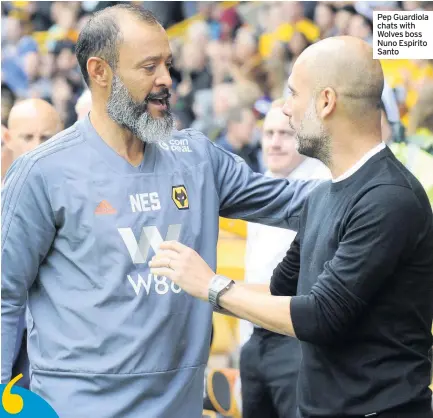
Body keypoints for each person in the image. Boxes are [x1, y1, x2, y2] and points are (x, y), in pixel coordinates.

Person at [1, 5, 320, 418]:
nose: (166, 80)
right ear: (100, 72)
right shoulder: (42, 172)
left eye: (167, 64)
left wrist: (380, 187)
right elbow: (5, 293)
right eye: (149, 67)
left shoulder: (198, 158)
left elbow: (296, 203)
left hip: (180, 406)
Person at [150, 36, 433, 418]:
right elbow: (281, 290)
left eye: (293, 94)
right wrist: (193, 289)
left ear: (327, 101)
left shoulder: (388, 197)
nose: (284, 109)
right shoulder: (323, 195)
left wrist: (212, 286)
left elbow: (320, 316)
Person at [240, 100, 330, 418]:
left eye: (284, 134)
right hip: (255, 338)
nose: (275, 142)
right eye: (268, 134)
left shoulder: (324, 186)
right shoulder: (259, 184)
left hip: (295, 340)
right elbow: (254, 265)